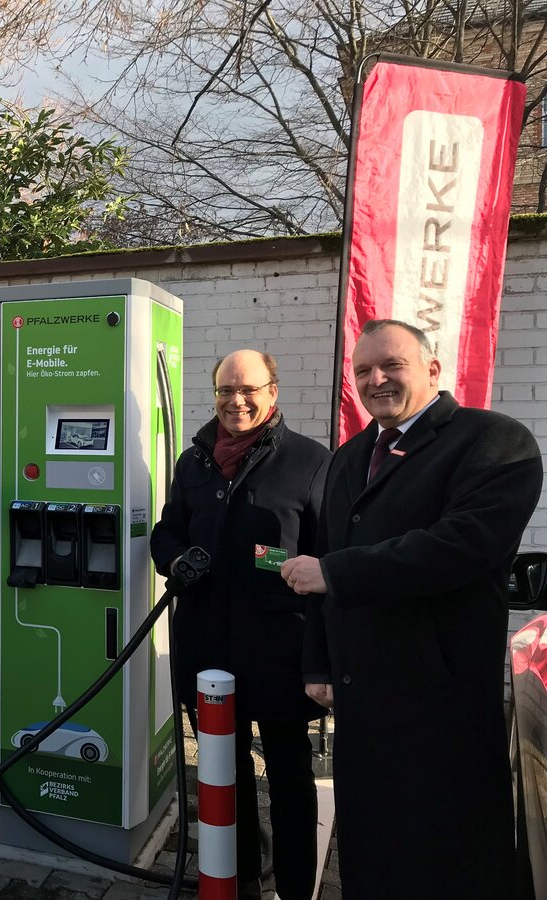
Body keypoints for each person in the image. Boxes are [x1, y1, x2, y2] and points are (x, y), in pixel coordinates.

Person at [284, 319, 543, 899]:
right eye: (362, 372)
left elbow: (460, 546)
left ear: (431, 368)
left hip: (438, 697)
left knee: (444, 851)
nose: (376, 380)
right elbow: (329, 552)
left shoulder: (495, 442)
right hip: (362, 692)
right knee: (372, 848)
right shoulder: (353, 456)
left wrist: (336, 573)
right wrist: (319, 663)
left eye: (391, 365)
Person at [151, 348, 328, 900]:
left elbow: (328, 564)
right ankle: (242, 876)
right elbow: (166, 531)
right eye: (226, 391)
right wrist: (176, 560)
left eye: (248, 389)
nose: (236, 401)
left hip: (279, 654)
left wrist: (322, 659)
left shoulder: (311, 462)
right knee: (224, 774)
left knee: (289, 777)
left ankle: (298, 887)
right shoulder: (195, 461)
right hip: (207, 650)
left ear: (273, 391)